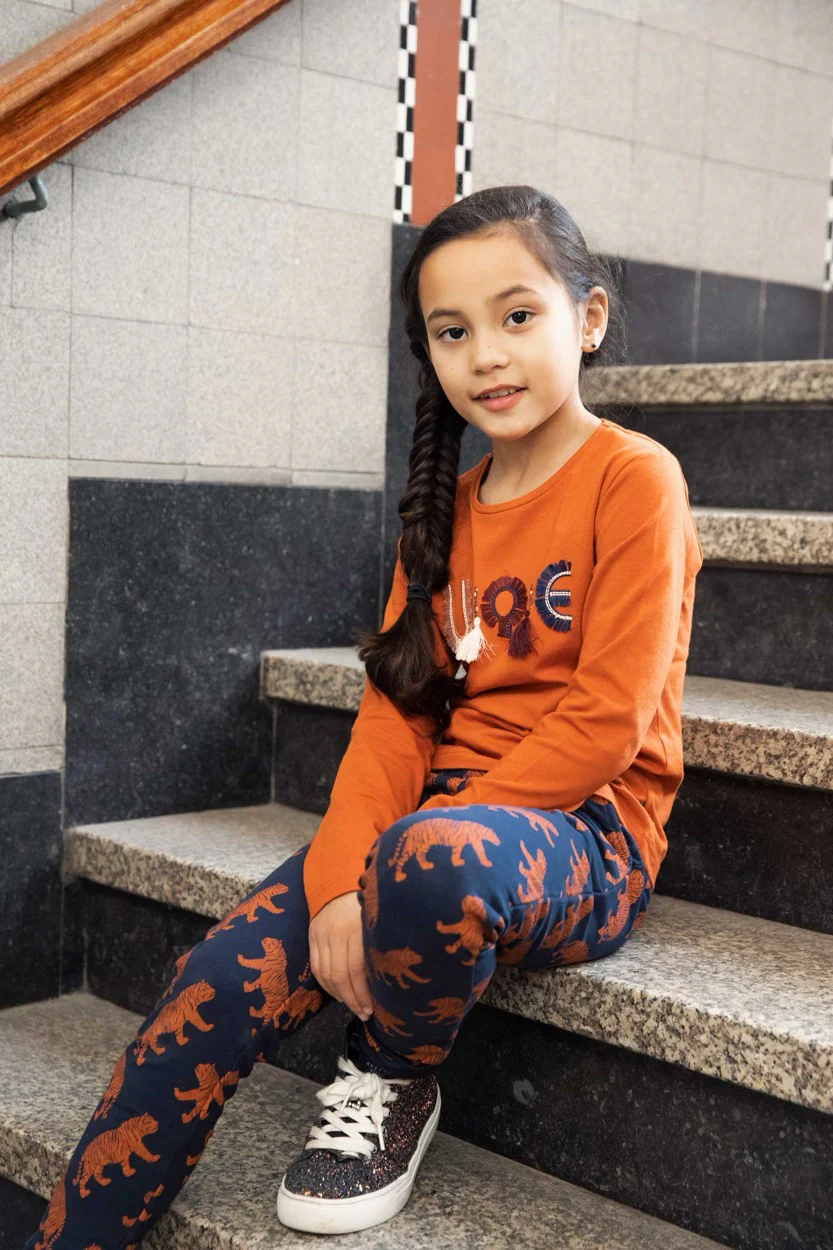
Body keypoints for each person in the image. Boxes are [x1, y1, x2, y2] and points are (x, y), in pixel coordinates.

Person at [25, 184, 704, 1247]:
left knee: (429, 857)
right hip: (425, 827)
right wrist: (345, 879)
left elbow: (607, 722)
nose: (486, 354)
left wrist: (396, 860)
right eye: (451, 331)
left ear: (588, 318)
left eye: (516, 315)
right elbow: (394, 727)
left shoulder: (634, 479)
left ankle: (392, 1072)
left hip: (584, 832)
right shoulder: (441, 517)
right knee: (209, 987)